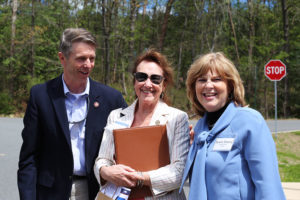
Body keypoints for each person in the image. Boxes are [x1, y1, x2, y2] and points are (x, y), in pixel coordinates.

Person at [17, 28, 127, 200]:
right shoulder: (41, 96)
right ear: (62, 58)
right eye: (81, 58)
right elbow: (29, 158)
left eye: (92, 58)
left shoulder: (111, 99)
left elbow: (129, 144)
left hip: (96, 191)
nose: (88, 64)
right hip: (50, 192)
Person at [179, 52, 286, 199]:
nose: (208, 85)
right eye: (202, 80)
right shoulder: (199, 130)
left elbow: (268, 186)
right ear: (194, 87)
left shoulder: (249, 121)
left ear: (230, 86)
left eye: (216, 79)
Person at [94, 49, 190, 200]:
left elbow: (179, 172)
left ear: (164, 85)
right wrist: (106, 172)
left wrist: (138, 177)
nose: (148, 84)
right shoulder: (116, 116)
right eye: (141, 77)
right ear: (134, 82)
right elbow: (102, 160)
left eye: (155, 79)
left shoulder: (177, 118)